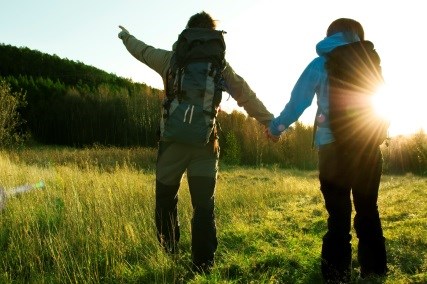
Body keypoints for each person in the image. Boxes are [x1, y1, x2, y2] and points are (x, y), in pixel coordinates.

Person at [118, 11, 274, 273]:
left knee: (166, 200)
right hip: (205, 144)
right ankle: (203, 266)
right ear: (213, 35)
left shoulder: (172, 60)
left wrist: (126, 37)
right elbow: (245, 95)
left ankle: (169, 254)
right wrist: (269, 122)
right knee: (203, 207)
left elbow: (142, 51)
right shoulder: (219, 66)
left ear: (188, 33)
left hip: (171, 144)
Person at [266, 18, 388, 283]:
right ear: (357, 35)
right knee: (368, 210)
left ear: (330, 35)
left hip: (333, 151)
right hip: (368, 147)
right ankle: (375, 273)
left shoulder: (321, 63)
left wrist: (276, 129)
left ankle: (336, 275)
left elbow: (298, 102)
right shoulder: (370, 60)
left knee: (338, 217)